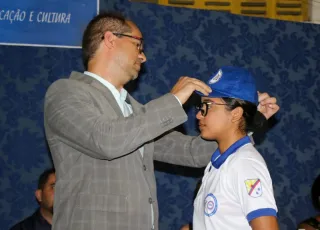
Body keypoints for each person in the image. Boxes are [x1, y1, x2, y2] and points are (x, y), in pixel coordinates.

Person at [43, 12, 279, 230]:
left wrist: (243, 121)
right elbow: (105, 140)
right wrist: (173, 100)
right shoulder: (65, 92)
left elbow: (191, 152)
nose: (143, 56)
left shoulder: (134, 111)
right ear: (110, 39)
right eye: (138, 44)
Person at [193, 66, 279, 230]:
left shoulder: (244, 164)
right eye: (200, 106)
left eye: (208, 105)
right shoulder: (218, 164)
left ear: (236, 113)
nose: (198, 114)